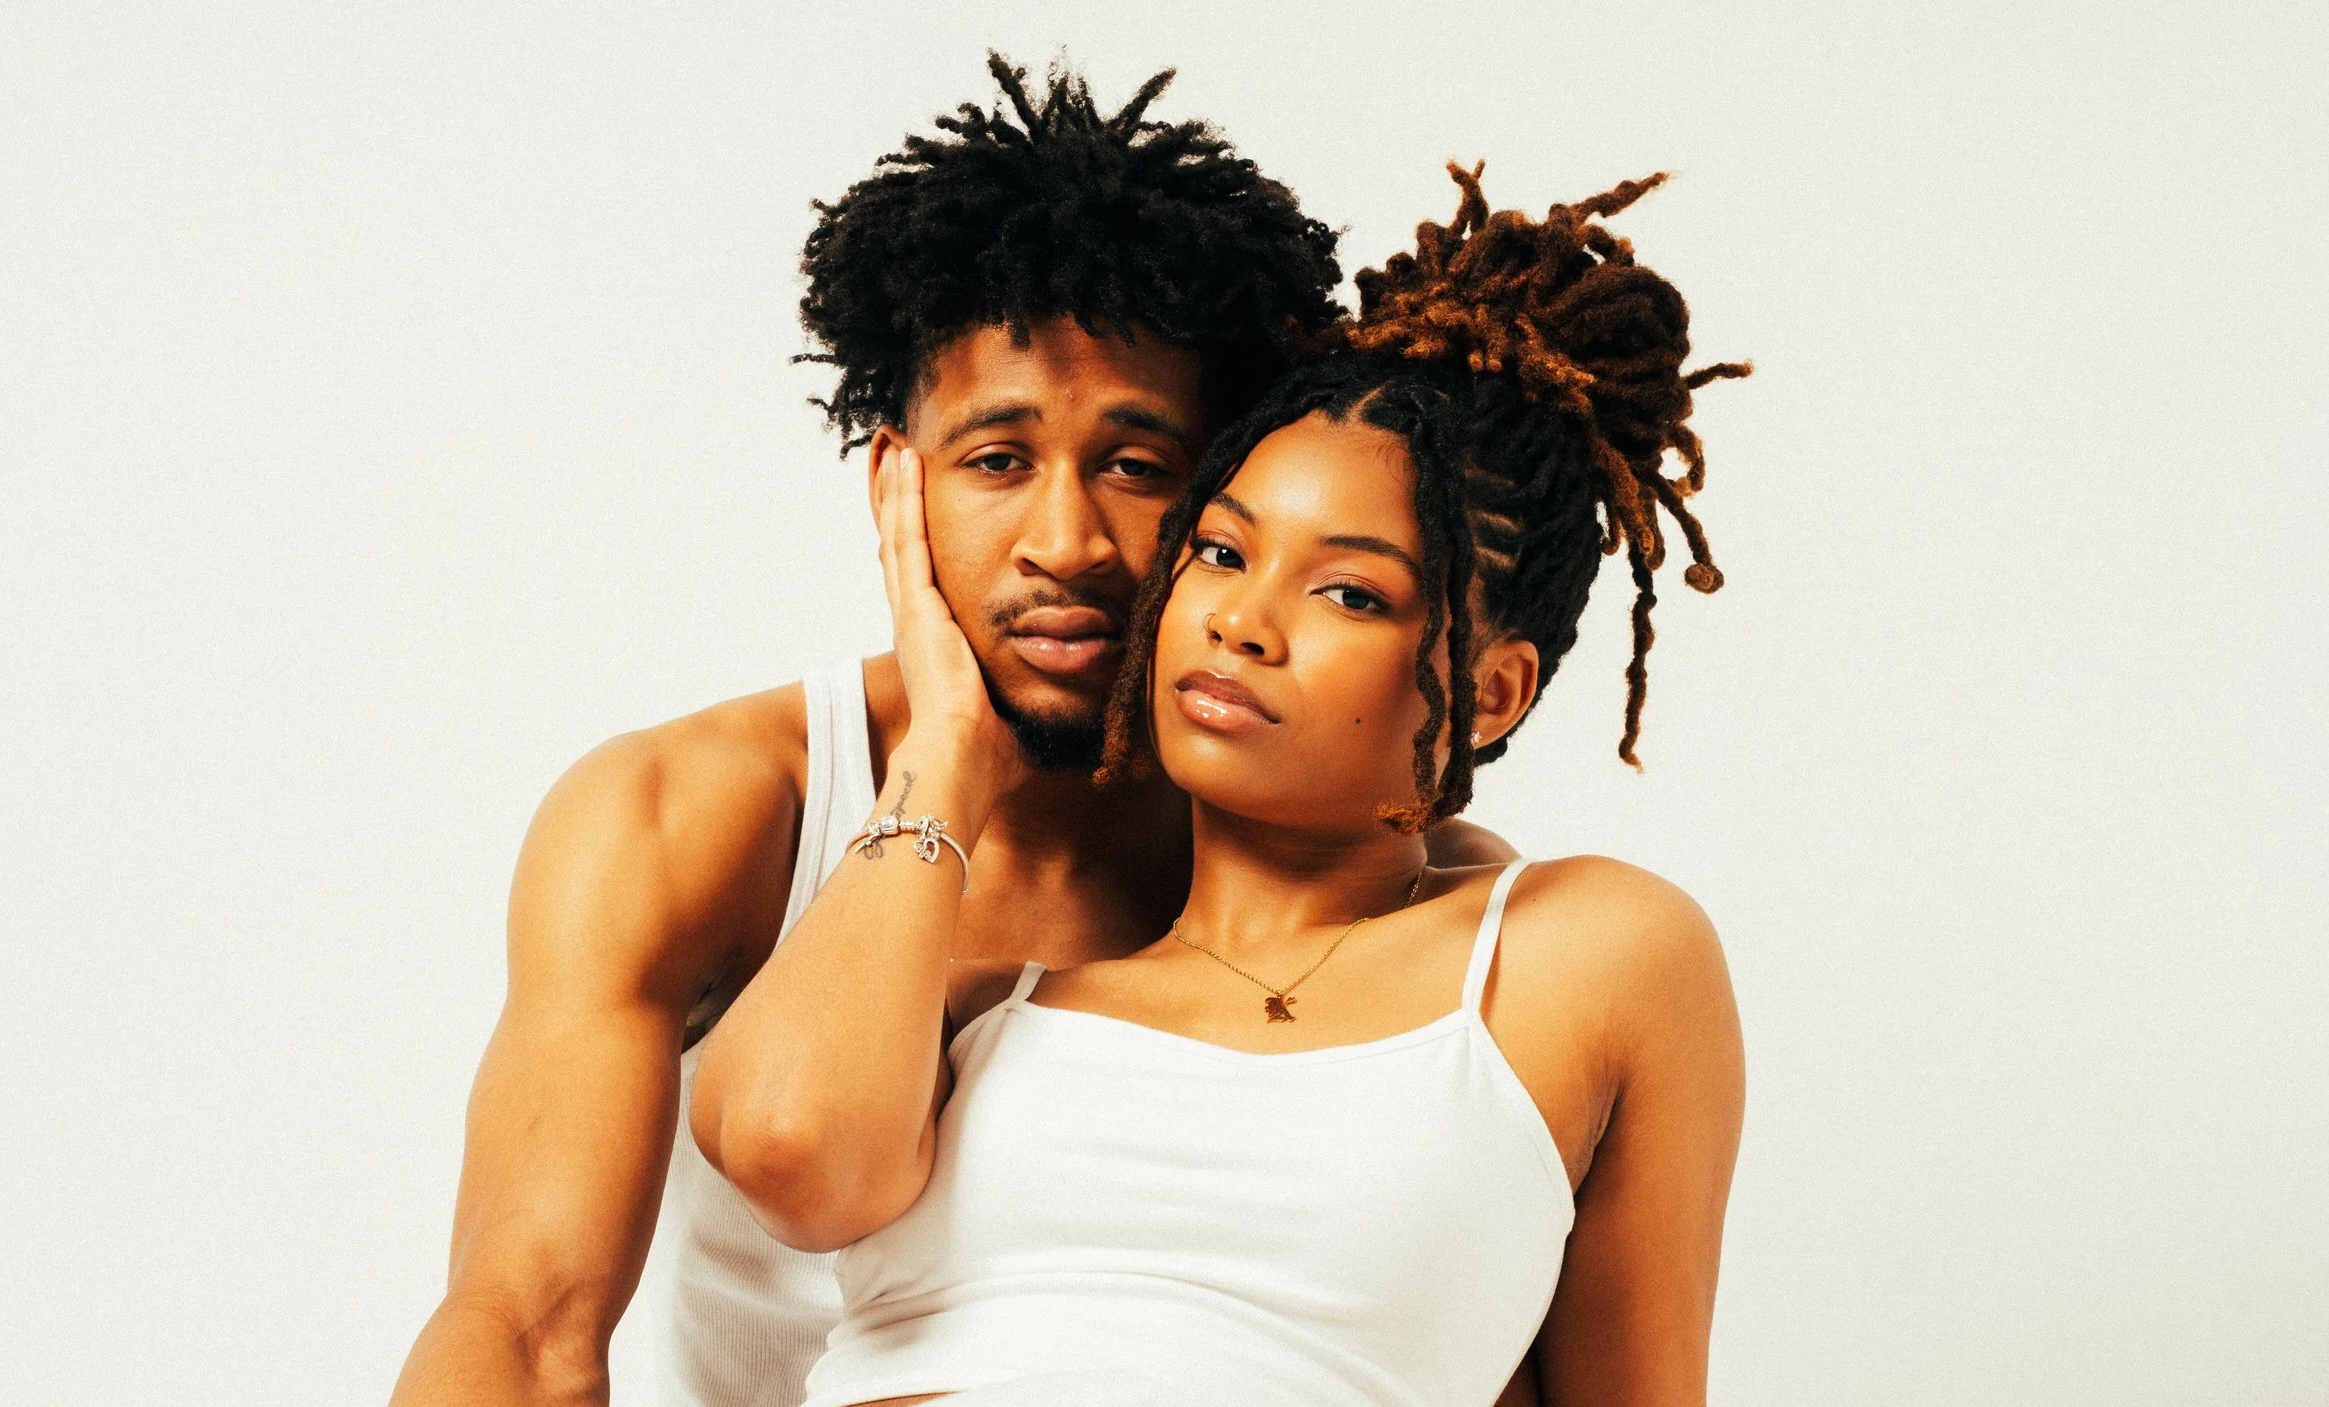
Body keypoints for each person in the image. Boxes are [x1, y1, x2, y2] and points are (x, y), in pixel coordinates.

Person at [388, 58, 1515, 1407]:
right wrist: (941, 761)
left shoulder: (1362, 873)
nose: (1066, 541)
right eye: (997, 460)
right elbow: (523, 1329)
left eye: (1138, 466)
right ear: (896, 481)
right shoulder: (687, 811)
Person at [690, 165, 1750, 1407]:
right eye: (1221, 550)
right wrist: (945, 743)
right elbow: (786, 1149)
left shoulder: (1585, 956)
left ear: (1491, 692)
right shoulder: (975, 1004)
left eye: (1348, 591)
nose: (1240, 621)